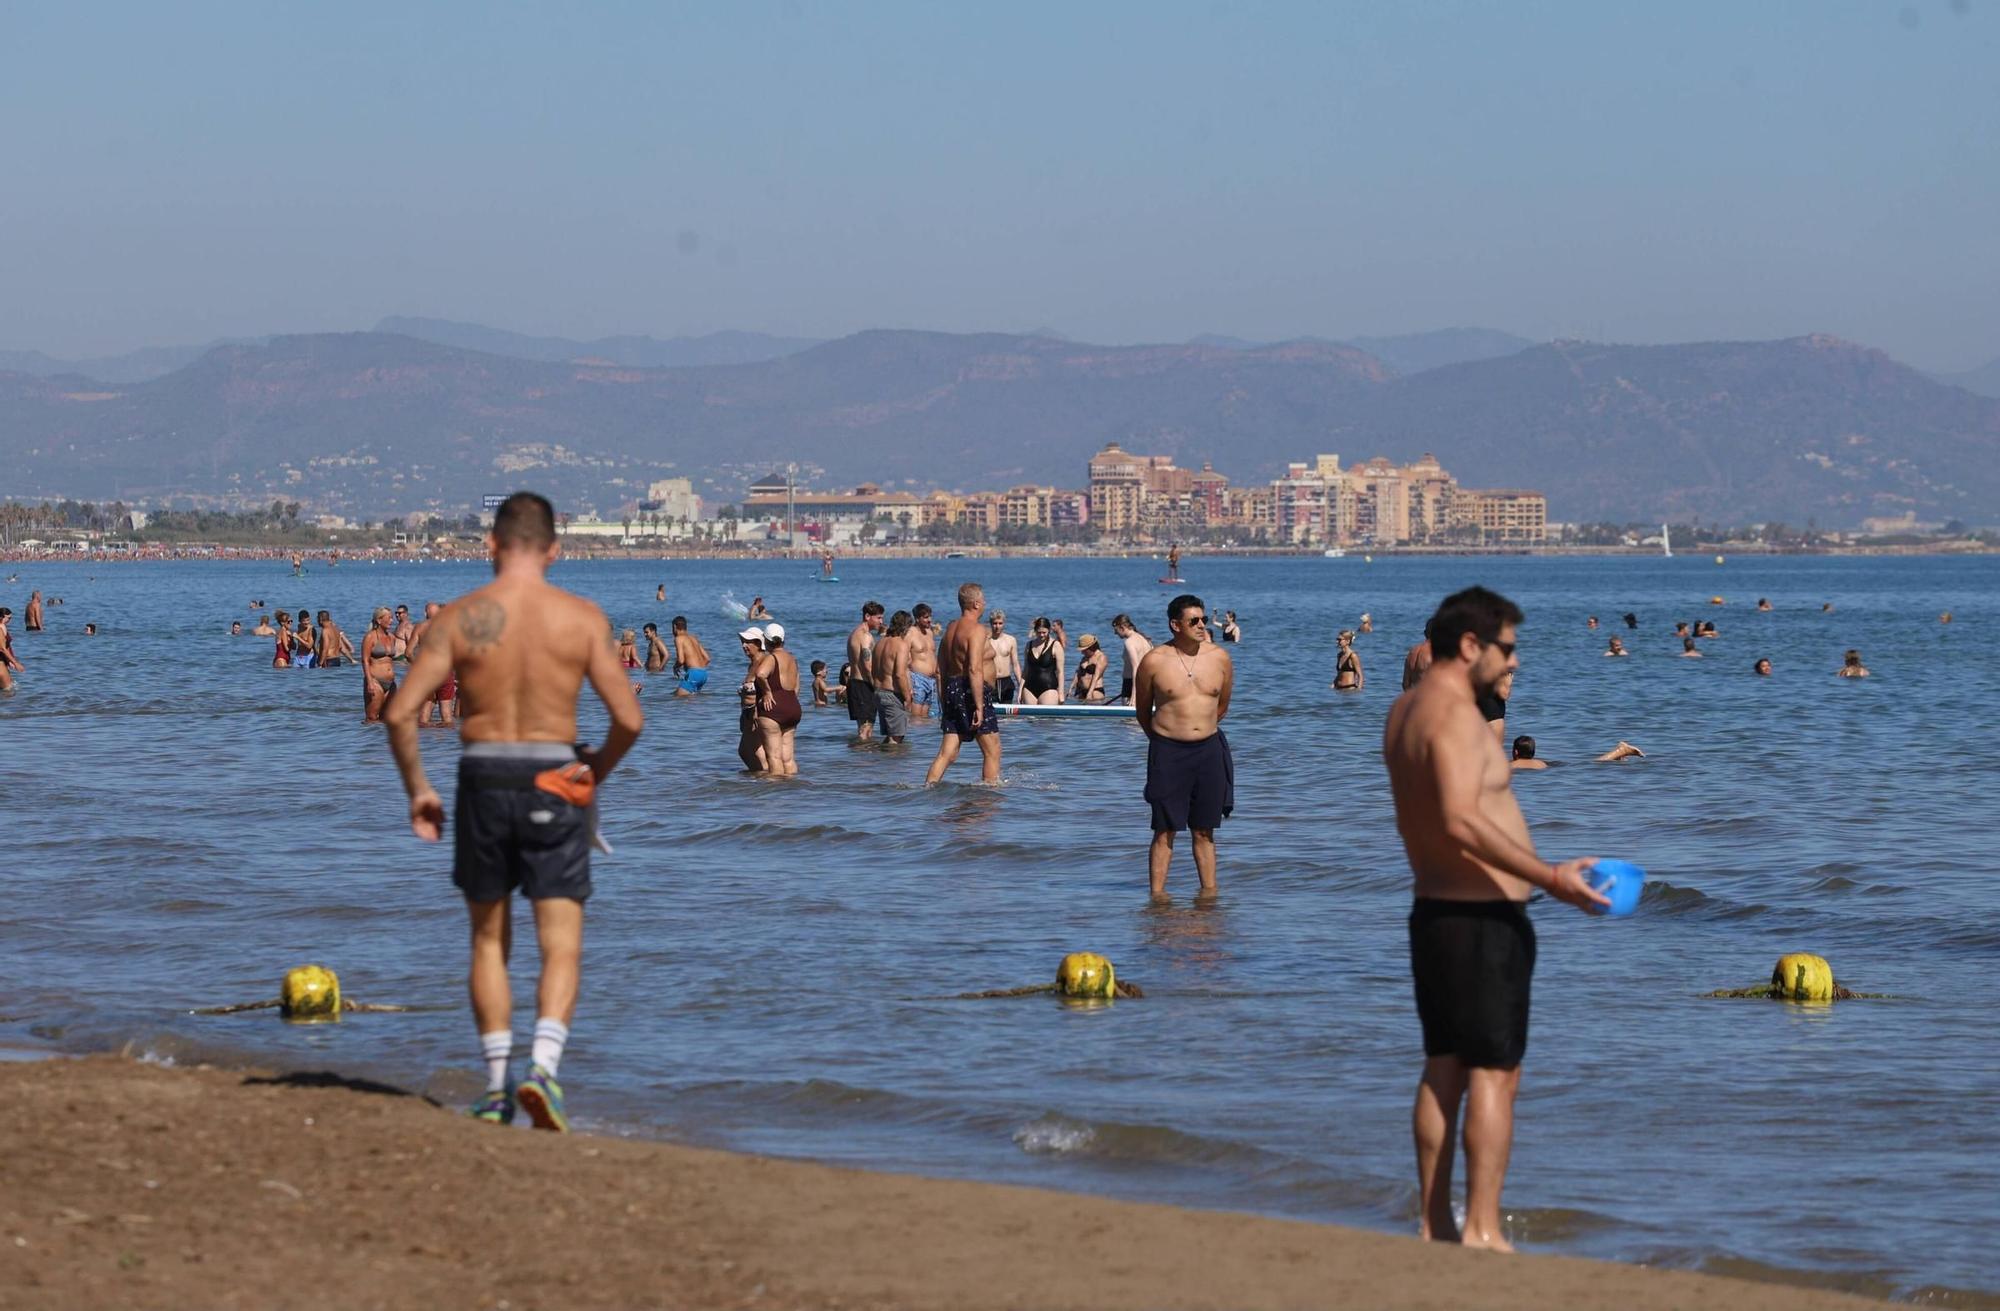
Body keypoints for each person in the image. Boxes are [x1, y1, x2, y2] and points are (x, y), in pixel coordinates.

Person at [386, 491, 643, 1132]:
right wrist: (592, 774)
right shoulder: (580, 618)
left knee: (487, 940)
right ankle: (544, 1074)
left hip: (482, 773)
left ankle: (498, 1088)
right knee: (560, 945)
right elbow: (629, 719)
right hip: (555, 773)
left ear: (490, 545)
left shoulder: (461, 617)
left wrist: (420, 788)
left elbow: (399, 712)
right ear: (556, 549)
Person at [1382, 585, 1609, 1250]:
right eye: (1506, 649)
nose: (1513, 662)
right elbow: (1458, 817)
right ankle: (1480, 1227)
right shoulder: (1451, 717)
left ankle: (1436, 1223)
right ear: (1472, 645)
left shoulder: (1404, 710)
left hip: (1437, 912)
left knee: (1445, 1066)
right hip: (1479, 918)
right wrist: (1551, 877)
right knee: (1492, 1072)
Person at [1135, 595, 1234, 900]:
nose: (1202, 625)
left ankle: (1209, 898)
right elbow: (1142, 711)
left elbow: (1222, 706)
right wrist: (1166, 742)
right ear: (1175, 625)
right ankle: (1157, 899)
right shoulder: (1154, 660)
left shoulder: (1219, 657)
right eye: (1194, 621)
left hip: (1209, 752)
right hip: (1168, 751)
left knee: (1205, 830)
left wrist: (1199, 732)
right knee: (1165, 829)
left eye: (1203, 619)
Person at [926, 583, 1001, 785]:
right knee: (992, 750)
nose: (985, 604)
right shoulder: (976, 630)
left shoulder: (950, 630)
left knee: (947, 753)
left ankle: (927, 789)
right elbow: (974, 669)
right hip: (971, 690)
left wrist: (944, 704)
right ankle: (989, 794)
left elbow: (939, 670)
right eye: (983, 600)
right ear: (976, 604)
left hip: (952, 689)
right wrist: (978, 706)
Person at [753, 623, 802, 776]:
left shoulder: (771, 658)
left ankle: (776, 795)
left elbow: (760, 674)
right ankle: (791, 791)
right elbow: (797, 685)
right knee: (788, 759)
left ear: (766, 641)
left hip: (773, 710)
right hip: (793, 707)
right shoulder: (792, 659)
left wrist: (767, 692)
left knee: (774, 757)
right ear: (783, 640)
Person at [871, 611, 914, 744]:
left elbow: (873, 671)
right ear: (905, 627)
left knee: (891, 736)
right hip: (892, 694)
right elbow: (899, 674)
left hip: (878, 692)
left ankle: (883, 762)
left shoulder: (880, 643)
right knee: (896, 737)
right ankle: (893, 764)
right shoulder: (901, 645)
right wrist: (907, 697)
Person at [846, 601, 885, 739]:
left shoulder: (855, 633)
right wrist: (876, 686)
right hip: (863, 684)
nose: (881, 621)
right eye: (879, 617)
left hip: (856, 683)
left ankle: (863, 757)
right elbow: (867, 665)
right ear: (868, 616)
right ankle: (864, 758)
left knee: (864, 726)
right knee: (866, 728)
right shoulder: (865, 636)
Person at [735, 627, 770, 772]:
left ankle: (766, 778)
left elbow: (767, 689)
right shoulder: (752, 664)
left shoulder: (765, 662)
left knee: (757, 752)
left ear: (758, 643)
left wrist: (756, 711)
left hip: (757, 713)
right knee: (744, 751)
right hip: (747, 713)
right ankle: (759, 779)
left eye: (747, 642)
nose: (744, 646)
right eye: (742, 642)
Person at [1511, 736, 1645, 770]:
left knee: (1596, 763)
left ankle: (1620, 750)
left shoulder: (1512, 765)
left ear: (1516, 752)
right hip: (1560, 767)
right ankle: (1618, 754)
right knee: (1594, 763)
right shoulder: (1539, 763)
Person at [363, 607, 399, 721]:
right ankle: (369, 738)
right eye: (389, 618)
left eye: (392, 618)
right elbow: (365, 660)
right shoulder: (370, 637)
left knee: (387, 718)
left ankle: (382, 739)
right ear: (379, 620)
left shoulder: (392, 637)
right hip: (375, 681)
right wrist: (369, 682)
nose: (392, 621)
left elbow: (390, 660)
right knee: (372, 718)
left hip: (391, 683)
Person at [906, 603, 939, 720]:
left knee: (925, 718)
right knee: (916, 718)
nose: (929, 620)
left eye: (930, 616)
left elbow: (932, 655)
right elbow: (904, 658)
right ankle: (914, 738)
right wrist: (908, 683)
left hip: (931, 680)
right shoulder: (910, 633)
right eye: (925, 617)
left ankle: (924, 739)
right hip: (917, 679)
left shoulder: (929, 632)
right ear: (917, 618)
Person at [1112, 614, 1152, 704]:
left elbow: (1136, 668)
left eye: (1116, 630)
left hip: (1131, 684)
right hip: (1146, 683)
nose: (1115, 633)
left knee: (1128, 718)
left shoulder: (1129, 642)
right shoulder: (1145, 640)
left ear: (1122, 627)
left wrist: (1134, 695)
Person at [1022, 617, 1064, 705]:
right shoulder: (1029, 645)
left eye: (1044, 632)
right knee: (1030, 718)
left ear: (1049, 631)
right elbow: (1025, 670)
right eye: (1039, 632)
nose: (1041, 635)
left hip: (1049, 689)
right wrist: (1020, 691)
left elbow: (1060, 672)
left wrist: (1061, 692)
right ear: (1035, 631)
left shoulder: (1056, 645)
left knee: (1046, 718)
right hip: (1029, 689)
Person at [671, 616, 711, 696]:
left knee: (677, 699)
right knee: (689, 701)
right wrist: (697, 669)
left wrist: (675, 667)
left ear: (675, 627)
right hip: (703, 674)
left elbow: (681, 660)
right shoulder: (693, 638)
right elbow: (707, 658)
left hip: (693, 674)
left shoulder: (678, 639)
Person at [988, 609, 1021, 704]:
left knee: (1007, 714)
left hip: (1006, 681)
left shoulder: (1011, 640)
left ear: (1004, 623)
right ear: (990, 624)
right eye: (995, 623)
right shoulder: (986, 641)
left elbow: (1015, 664)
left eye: (1000, 623)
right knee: (990, 711)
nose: (997, 626)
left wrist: (1020, 684)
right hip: (991, 681)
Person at [1071, 634, 1108, 701]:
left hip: (1095, 691)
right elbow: (1078, 673)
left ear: (1091, 647)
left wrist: (1090, 693)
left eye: (1084, 650)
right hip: (1081, 691)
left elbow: (1096, 676)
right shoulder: (1084, 658)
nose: (1082, 652)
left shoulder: (1101, 657)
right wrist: (1071, 687)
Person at [1402, 622, 1434, 691]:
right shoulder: (1436, 652)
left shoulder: (1412, 652)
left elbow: (1405, 684)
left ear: (1425, 633)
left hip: (1415, 698)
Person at [0, 608, 22, 693]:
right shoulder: (1, 627)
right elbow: (3, 648)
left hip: (3, 662)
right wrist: (15, 663)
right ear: (1, 617)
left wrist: (9, 661)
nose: (9, 621)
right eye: (8, 618)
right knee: (9, 693)